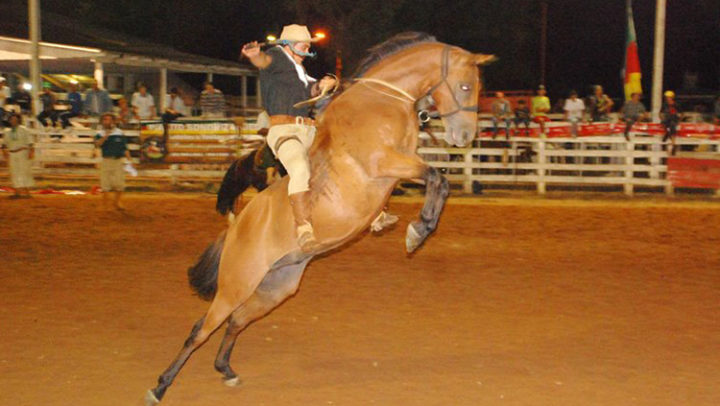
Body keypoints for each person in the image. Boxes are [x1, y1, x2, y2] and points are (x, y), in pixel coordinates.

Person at [242, 24, 397, 251]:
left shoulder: (300, 71)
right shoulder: (276, 57)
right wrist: (255, 56)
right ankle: (303, 228)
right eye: (303, 43)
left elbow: (312, 91)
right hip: (284, 132)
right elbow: (263, 62)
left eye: (307, 44)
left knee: (346, 157)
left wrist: (328, 83)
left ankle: (375, 214)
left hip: (308, 131)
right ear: (288, 45)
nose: (307, 46)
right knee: (299, 168)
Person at [94, 113, 131, 210]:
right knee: (105, 183)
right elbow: (97, 145)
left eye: (110, 120)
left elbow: (124, 147)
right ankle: (104, 204)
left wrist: (129, 160)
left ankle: (117, 202)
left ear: (113, 121)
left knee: (120, 183)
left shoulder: (119, 132)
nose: (107, 122)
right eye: (105, 119)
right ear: (102, 121)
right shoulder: (100, 133)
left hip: (118, 160)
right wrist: (105, 136)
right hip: (106, 160)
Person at [1, 113, 34, 198]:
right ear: (9, 121)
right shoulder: (7, 131)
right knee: (14, 172)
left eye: (15, 119)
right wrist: (4, 152)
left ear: (19, 120)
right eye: (12, 119)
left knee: (24, 171)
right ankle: (17, 192)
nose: (13, 121)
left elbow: (30, 142)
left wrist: (31, 152)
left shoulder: (24, 130)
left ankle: (27, 192)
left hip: (22, 152)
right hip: (12, 153)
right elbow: (4, 144)